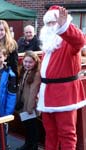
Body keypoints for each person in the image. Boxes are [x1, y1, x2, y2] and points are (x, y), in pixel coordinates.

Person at [37, 5, 86, 150]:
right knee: (50, 134)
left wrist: (65, 26)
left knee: (67, 134)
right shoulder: (48, 46)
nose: (51, 27)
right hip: (47, 94)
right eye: (48, 23)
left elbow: (80, 41)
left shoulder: (69, 43)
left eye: (54, 22)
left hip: (64, 95)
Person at [15, 51, 41, 150]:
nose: (27, 64)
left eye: (30, 62)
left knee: (32, 127)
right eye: (26, 62)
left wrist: (30, 108)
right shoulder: (24, 71)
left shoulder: (36, 74)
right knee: (27, 126)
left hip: (30, 106)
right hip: (24, 103)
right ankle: (28, 144)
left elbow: (33, 92)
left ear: (35, 63)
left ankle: (33, 146)